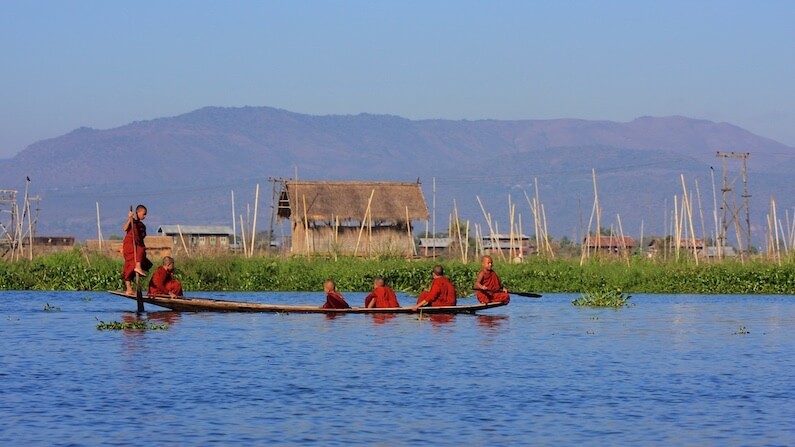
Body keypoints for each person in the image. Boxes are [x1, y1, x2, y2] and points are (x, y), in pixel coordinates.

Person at [122, 204, 152, 295]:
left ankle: (138, 266)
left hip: (138, 245)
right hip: (130, 245)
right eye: (144, 214)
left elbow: (141, 236)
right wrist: (130, 218)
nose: (145, 216)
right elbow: (124, 228)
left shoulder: (141, 225)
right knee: (129, 265)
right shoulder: (132, 222)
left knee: (140, 255)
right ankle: (129, 288)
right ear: (138, 212)